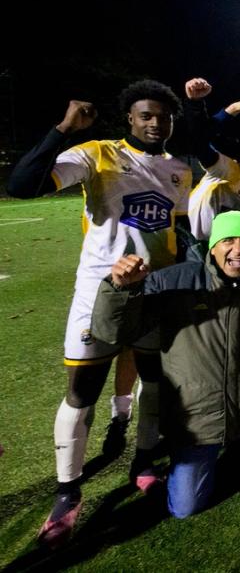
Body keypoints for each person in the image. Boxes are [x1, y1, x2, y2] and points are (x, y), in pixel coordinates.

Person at [7, 80, 191, 546]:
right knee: (82, 390)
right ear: (130, 118)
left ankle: (144, 460)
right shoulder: (97, 153)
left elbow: (179, 229)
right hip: (100, 293)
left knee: (155, 380)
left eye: (163, 116)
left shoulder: (178, 169)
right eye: (146, 115)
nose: (155, 123)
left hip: (154, 292)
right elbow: (22, 185)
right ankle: (68, 493)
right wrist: (62, 130)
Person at [92, 211, 240, 518]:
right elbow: (113, 332)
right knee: (185, 508)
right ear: (213, 246)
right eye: (228, 240)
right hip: (198, 419)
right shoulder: (176, 282)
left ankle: (239, 440)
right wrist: (119, 288)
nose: (238, 249)